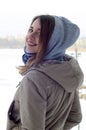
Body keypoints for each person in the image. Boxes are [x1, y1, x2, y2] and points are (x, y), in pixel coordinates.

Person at [6, 14, 84, 130]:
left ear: (53, 41)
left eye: (40, 33)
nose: (30, 36)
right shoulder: (66, 72)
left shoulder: (34, 80)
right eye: (31, 30)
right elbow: (75, 117)